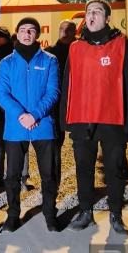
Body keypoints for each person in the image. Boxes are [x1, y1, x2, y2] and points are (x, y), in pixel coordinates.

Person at [61, 0, 128, 234]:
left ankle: (116, 213)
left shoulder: (122, 45)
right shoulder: (75, 48)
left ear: (107, 19)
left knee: (114, 170)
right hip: (83, 119)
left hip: (112, 119)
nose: (92, 15)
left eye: (97, 11)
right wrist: (65, 118)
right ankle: (86, 211)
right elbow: (68, 84)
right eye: (88, 12)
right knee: (83, 168)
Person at [0, 18, 60, 232]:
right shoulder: (6, 63)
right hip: (16, 127)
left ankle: (50, 214)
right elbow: (2, 95)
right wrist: (22, 115)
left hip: (42, 125)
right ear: (17, 33)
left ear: (37, 35)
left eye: (31, 30)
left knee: (48, 174)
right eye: (23, 30)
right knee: (12, 175)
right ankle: (13, 214)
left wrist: (35, 115)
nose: (27, 34)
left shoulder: (50, 60)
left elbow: (53, 92)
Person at [0, 26, 28, 190]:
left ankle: (23, 175)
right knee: (0, 142)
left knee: (21, 141)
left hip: (18, 106)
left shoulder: (18, 58)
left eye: (1, 37)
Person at [44, 19, 77, 188]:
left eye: (69, 29)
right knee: (54, 147)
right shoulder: (49, 53)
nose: (65, 31)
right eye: (62, 28)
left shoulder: (80, 52)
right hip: (55, 107)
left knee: (82, 147)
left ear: (75, 32)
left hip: (76, 105)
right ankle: (53, 186)